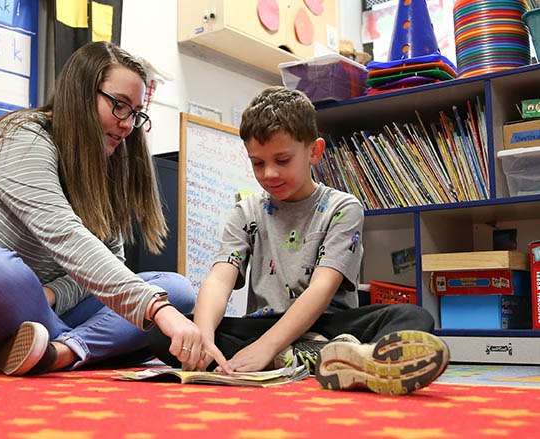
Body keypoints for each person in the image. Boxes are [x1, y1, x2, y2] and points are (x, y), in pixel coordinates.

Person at [0, 41, 231, 377]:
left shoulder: (106, 167)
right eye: (120, 105)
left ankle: (59, 352)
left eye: (136, 113)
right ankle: (76, 343)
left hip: (28, 316)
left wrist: (53, 294)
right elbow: (66, 237)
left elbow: (107, 266)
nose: (128, 125)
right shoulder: (20, 138)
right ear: (81, 93)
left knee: (176, 288)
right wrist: (158, 312)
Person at [148, 87, 449, 395]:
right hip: (265, 325)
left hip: (329, 326)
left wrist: (266, 347)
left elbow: (321, 290)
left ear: (314, 152)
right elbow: (219, 280)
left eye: (282, 159)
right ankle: (308, 359)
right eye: (258, 163)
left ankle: (330, 356)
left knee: (414, 316)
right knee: (166, 329)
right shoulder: (246, 211)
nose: (270, 173)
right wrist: (204, 338)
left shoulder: (343, 208)